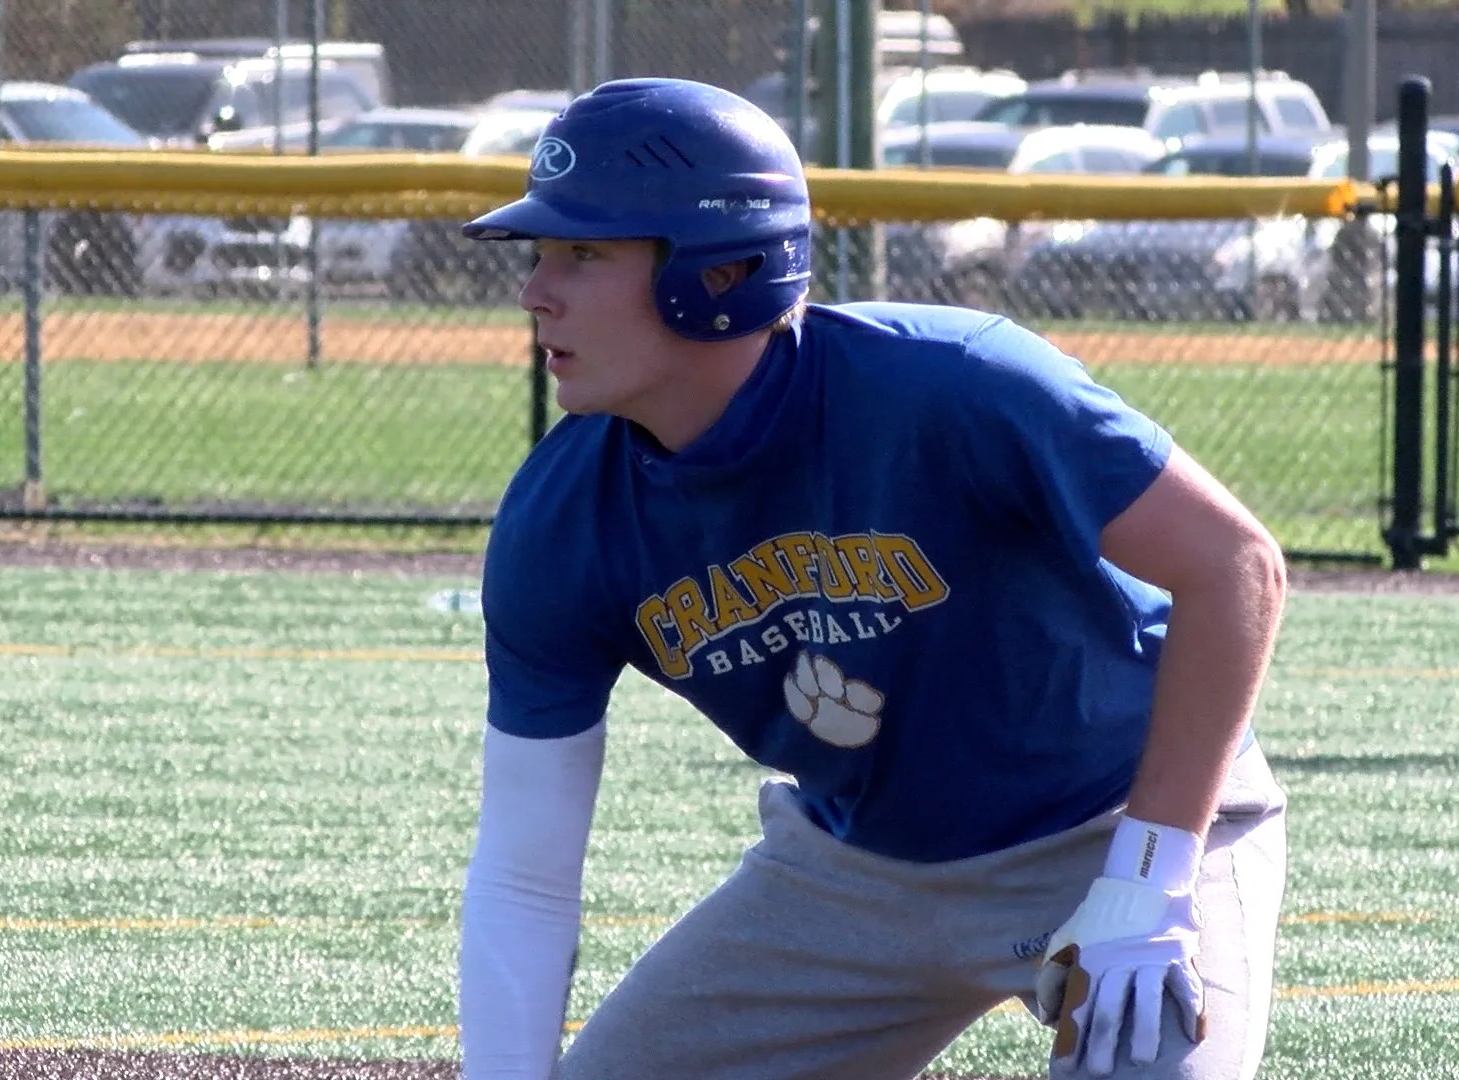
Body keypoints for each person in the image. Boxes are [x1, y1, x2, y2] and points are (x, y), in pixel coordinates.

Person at [458, 76, 1289, 1080]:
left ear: (721, 270)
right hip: (856, 870)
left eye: (583, 253)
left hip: (1114, 822)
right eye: (543, 253)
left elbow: (1235, 566)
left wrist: (1149, 880)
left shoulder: (953, 384)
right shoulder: (561, 521)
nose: (535, 290)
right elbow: (524, 878)